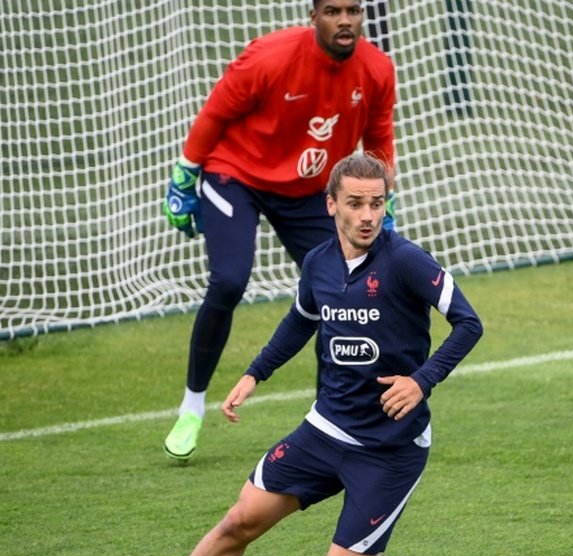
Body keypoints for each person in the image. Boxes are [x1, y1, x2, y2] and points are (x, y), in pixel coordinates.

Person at [87, 153, 483, 556]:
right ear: (331, 205)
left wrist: (420, 382)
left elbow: (469, 323)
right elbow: (300, 320)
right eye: (356, 203)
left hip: (389, 446)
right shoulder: (318, 262)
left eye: (377, 204)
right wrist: (256, 372)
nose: (367, 215)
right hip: (324, 429)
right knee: (239, 520)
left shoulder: (406, 260)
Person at [162, 0, 397, 462]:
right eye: (333, 10)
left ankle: (332, 418)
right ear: (314, 16)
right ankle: (192, 407)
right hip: (238, 175)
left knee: (342, 291)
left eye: (353, 10)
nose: (345, 20)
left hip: (310, 190)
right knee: (229, 280)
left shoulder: (377, 69)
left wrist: (382, 196)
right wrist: (186, 173)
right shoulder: (269, 57)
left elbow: (378, 136)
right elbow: (215, 112)